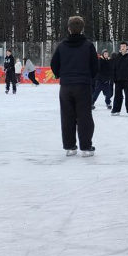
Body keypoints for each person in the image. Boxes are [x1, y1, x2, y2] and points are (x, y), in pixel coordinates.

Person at [50, 15, 99, 156]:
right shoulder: (88, 45)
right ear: (82, 29)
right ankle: (86, 147)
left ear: (69, 29)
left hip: (66, 86)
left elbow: (54, 64)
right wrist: (89, 77)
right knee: (84, 116)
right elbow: (95, 65)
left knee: (67, 116)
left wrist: (62, 75)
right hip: (83, 85)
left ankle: (70, 147)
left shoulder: (62, 46)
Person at [111, 41, 128, 116]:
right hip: (118, 79)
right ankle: (116, 110)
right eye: (121, 46)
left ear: (127, 47)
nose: (122, 48)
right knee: (117, 96)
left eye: (124, 46)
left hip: (127, 80)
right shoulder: (117, 57)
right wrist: (114, 78)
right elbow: (114, 68)